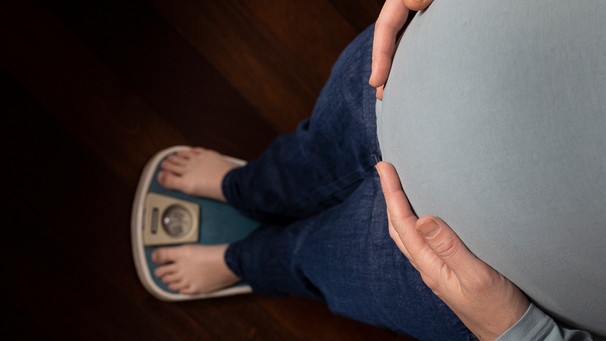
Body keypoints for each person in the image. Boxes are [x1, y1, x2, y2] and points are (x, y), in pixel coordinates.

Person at [151, 1, 604, 340]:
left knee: (311, 259)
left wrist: (523, 334)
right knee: (303, 158)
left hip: (467, 279)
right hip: (409, 60)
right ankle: (245, 189)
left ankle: (244, 262)